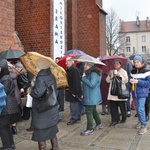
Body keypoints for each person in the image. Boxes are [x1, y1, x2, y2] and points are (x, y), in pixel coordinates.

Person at [30, 58, 59, 150]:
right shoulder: (51, 75)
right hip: (51, 106)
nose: (35, 68)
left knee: (41, 133)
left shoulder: (40, 77)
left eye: (36, 66)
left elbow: (37, 93)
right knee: (51, 130)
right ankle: (55, 147)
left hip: (42, 109)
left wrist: (31, 91)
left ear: (41, 67)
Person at [0, 58, 20, 150]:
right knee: (6, 126)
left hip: (7, 107)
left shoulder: (5, 78)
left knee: (2, 127)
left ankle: (7, 146)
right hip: (9, 106)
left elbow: (4, 92)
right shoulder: (5, 76)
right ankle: (11, 145)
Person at [80, 62, 103, 136]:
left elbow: (92, 84)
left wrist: (84, 78)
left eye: (86, 65)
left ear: (90, 66)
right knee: (93, 110)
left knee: (89, 111)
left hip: (92, 96)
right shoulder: (89, 73)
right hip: (90, 96)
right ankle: (99, 123)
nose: (85, 66)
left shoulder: (94, 74)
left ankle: (90, 129)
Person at [130, 55, 150, 135]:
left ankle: (144, 126)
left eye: (137, 62)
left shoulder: (147, 71)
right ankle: (140, 121)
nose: (136, 63)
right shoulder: (133, 71)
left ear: (141, 62)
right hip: (135, 93)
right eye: (134, 62)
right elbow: (130, 83)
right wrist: (130, 82)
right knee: (138, 109)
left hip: (142, 93)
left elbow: (148, 83)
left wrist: (138, 82)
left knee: (141, 109)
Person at [106, 59, 128, 127]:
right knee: (113, 107)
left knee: (122, 107)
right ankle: (115, 120)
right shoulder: (112, 71)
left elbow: (126, 80)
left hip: (120, 92)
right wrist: (109, 75)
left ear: (120, 64)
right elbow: (107, 81)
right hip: (113, 92)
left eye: (117, 63)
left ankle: (124, 118)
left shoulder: (123, 71)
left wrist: (119, 76)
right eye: (115, 63)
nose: (116, 65)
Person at [65, 57, 82, 125]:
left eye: (67, 61)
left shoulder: (74, 70)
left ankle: (74, 117)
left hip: (73, 91)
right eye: (66, 62)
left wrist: (75, 92)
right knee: (74, 104)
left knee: (73, 105)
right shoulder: (69, 70)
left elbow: (76, 82)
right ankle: (77, 116)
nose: (66, 63)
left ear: (72, 62)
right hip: (70, 90)